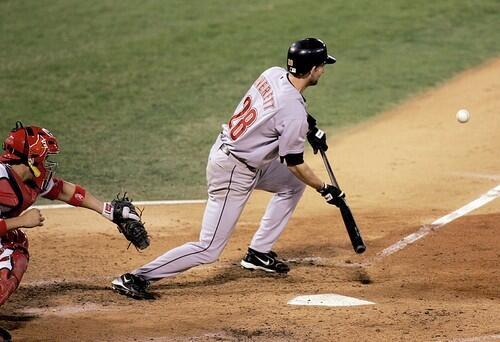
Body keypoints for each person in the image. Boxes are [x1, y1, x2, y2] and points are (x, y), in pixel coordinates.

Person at [112, 37, 345, 300]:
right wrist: (325, 189)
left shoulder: (274, 74)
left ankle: (258, 252)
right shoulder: (293, 113)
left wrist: (310, 128)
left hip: (239, 156)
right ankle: (136, 277)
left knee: (292, 186)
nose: (323, 70)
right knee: (209, 248)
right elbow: (294, 162)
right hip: (234, 170)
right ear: (313, 69)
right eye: (322, 65)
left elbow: (277, 110)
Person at [0, 121, 144, 309]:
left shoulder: (30, 178)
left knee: (14, 241)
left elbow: (64, 191)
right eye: (44, 157)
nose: (47, 163)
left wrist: (108, 211)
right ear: (32, 159)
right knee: (9, 259)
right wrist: (22, 221)